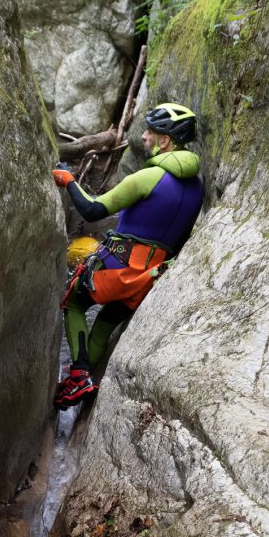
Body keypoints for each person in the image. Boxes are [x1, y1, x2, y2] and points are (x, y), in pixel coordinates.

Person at [51, 102, 204, 409]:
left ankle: (78, 374)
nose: (144, 137)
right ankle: (85, 380)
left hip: (118, 267)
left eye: (151, 132)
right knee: (105, 323)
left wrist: (68, 181)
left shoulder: (147, 178)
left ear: (166, 140)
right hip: (149, 278)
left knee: (75, 301)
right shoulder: (197, 188)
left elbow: (93, 209)